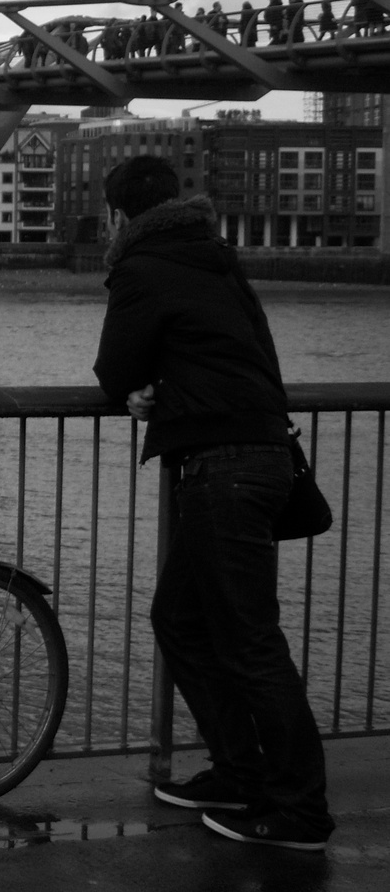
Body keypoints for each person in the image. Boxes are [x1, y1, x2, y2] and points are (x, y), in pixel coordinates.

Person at [93, 155, 333, 852]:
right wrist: (162, 386)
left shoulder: (139, 268)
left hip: (220, 469)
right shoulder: (220, 260)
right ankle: (239, 770)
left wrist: (139, 389)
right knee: (183, 620)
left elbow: (116, 369)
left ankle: (300, 812)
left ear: (118, 216)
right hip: (262, 454)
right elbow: (240, 354)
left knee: (252, 644)